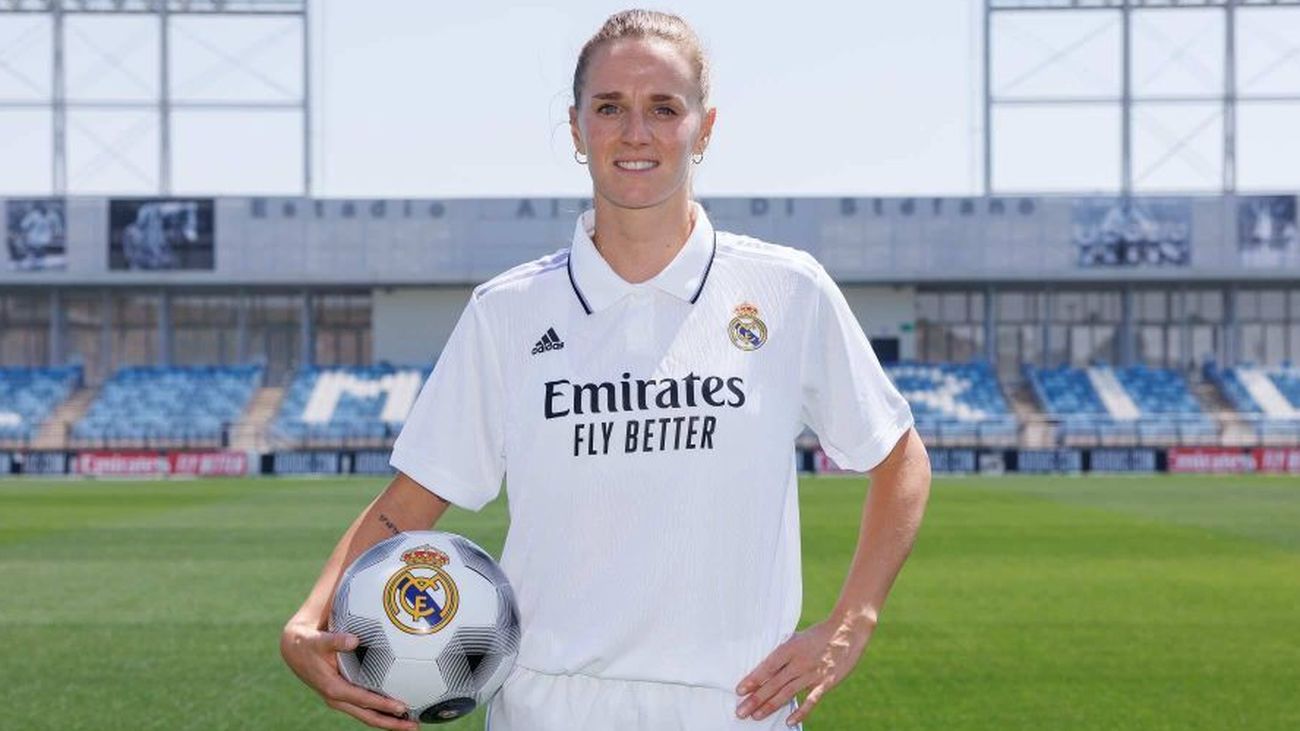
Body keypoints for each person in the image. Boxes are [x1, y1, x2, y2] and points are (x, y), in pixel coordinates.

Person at [280, 9, 931, 730]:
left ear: (705, 129)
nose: (636, 132)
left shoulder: (787, 290)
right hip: (547, 710)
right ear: (576, 126)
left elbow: (899, 457)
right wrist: (310, 618)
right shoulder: (507, 311)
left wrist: (852, 620)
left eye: (665, 109)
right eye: (610, 107)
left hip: (733, 709)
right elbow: (408, 504)